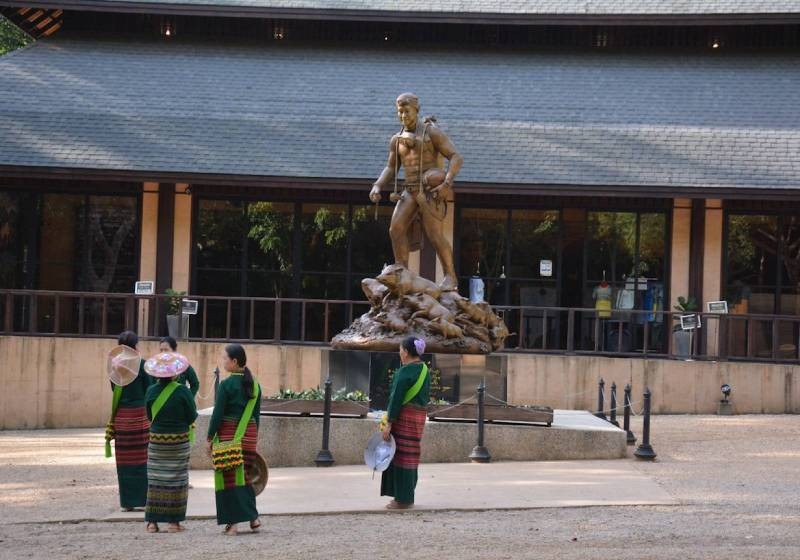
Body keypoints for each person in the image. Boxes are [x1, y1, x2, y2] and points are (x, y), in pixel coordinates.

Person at [369, 92, 463, 291]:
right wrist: (377, 185)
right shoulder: (397, 139)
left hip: (429, 190)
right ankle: (401, 272)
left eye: (407, 111)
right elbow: (391, 167)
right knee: (395, 229)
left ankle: (450, 276)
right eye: (400, 112)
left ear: (416, 110)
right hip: (409, 190)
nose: (403, 115)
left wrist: (446, 184)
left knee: (434, 235)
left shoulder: (431, 133)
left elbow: (456, 157)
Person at [206, 344, 262, 535]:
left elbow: (217, 415)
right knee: (244, 476)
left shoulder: (226, 385)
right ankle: (253, 519)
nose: (223, 362)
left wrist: (209, 438)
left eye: (225, 358)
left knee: (229, 479)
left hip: (229, 436)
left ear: (234, 361)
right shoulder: (255, 385)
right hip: (249, 436)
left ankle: (233, 523)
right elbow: (256, 416)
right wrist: (255, 439)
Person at [143, 353, 197, 533]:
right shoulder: (183, 391)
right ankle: (174, 523)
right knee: (177, 480)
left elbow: (149, 416)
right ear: (175, 373)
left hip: (157, 442)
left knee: (156, 479)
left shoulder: (151, 391)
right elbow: (191, 416)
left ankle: (152, 522)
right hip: (178, 442)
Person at [380, 336, 431, 510]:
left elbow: (396, 399)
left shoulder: (403, 372)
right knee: (411, 455)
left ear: (407, 352)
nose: (399, 354)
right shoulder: (424, 369)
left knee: (400, 455)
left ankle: (402, 499)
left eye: (400, 350)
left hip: (404, 418)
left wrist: (389, 422)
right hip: (418, 419)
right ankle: (407, 495)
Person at [110, 330, 154, 511]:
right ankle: (142, 500)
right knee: (141, 458)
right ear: (135, 346)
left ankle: (127, 502)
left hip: (121, 417)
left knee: (124, 459)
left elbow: (114, 390)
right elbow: (150, 390)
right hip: (140, 416)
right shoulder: (142, 365)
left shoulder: (115, 368)